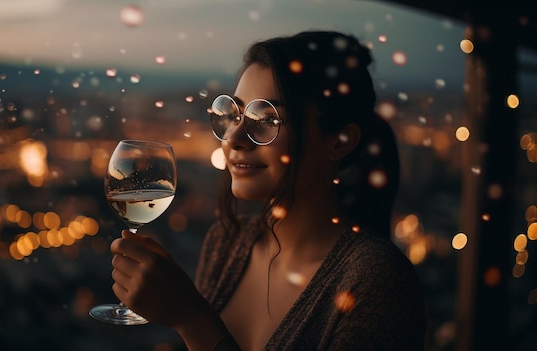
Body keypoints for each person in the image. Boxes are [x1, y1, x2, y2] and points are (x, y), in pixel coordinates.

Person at [109, 30, 427, 350]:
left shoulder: (377, 281)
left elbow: (197, 328)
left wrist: (191, 319)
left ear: (340, 141)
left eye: (267, 119)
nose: (233, 138)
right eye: (233, 114)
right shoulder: (227, 242)